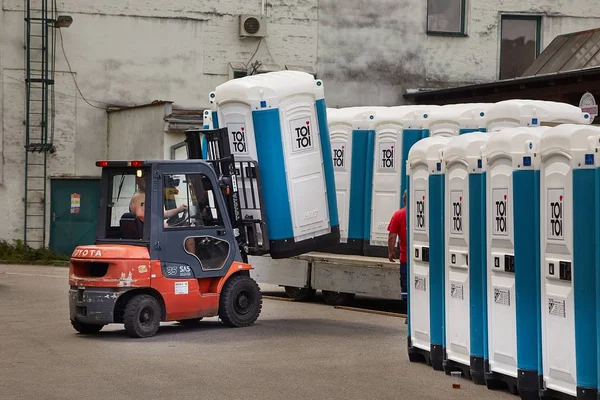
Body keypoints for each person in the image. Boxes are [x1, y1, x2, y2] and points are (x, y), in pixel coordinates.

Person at [387, 190, 408, 301]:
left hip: (405, 259)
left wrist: (391, 253)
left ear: (404, 199)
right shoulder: (424, 213)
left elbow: (392, 236)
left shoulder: (398, 215)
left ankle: (409, 316)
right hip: (423, 259)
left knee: (406, 293)